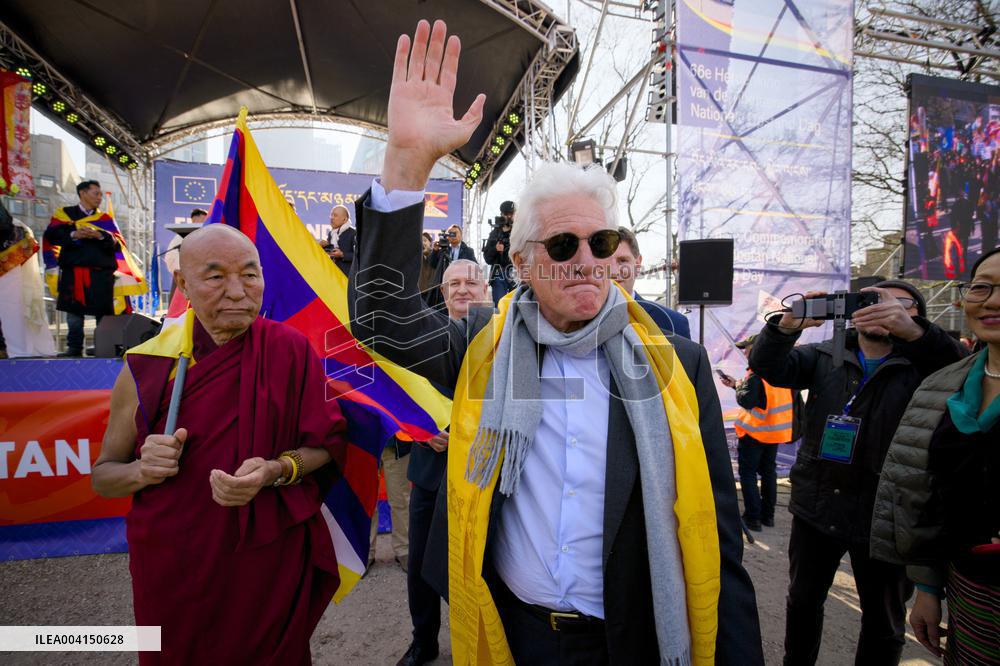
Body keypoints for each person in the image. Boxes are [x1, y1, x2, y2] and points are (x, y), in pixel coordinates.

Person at [349, 20, 762, 665]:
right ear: (520, 260)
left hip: (632, 642)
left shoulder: (677, 363)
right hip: (515, 636)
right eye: (562, 245)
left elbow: (719, 536)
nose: (585, 261)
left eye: (599, 243)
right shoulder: (481, 348)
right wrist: (407, 164)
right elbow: (381, 317)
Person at [91, 224, 348, 664]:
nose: (237, 291)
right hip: (176, 563)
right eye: (215, 277)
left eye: (250, 274)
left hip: (265, 559)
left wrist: (276, 470)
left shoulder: (289, 350)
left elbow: (326, 445)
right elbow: (103, 476)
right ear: (183, 284)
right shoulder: (150, 366)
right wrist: (141, 470)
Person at [749, 279, 968, 665]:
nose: (883, 309)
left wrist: (914, 334)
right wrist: (785, 327)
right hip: (817, 507)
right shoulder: (825, 355)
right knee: (802, 603)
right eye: (871, 300)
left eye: (900, 305)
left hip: (887, 514)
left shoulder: (928, 366)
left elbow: (957, 365)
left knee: (883, 622)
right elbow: (767, 365)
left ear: (918, 319)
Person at [871, 246, 1000, 665]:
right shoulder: (947, 384)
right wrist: (927, 587)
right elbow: (932, 491)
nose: (992, 301)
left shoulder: (932, 361)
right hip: (971, 590)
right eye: (982, 287)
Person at [398, 259, 490, 666]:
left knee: (484, 568)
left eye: (471, 282)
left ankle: (483, 643)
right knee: (420, 565)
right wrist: (418, 429)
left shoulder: (506, 334)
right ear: (442, 292)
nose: (462, 290)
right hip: (431, 471)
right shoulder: (420, 337)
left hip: (487, 475)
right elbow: (396, 392)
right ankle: (424, 641)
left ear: (486, 287)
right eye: (453, 284)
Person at [720, 334, 793, 531]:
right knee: (769, 473)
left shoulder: (756, 373)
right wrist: (737, 384)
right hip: (773, 433)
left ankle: (753, 518)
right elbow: (761, 398)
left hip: (754, 434)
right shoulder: (779, 370)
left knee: (748, 474)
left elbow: (747, 400)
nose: (744, 351)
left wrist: (739, 389)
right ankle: (767, 516)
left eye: (746, 348)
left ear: (757, 348)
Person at [43, 180, 118, 357]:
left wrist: (99, 235)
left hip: (100, 273)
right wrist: (74, 233)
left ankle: (104, 346)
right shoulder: (64, 215)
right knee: (74, 313)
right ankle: (74, 347)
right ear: (82, 193)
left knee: (103, 313)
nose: (99, 198)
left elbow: (117, 244)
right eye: (96, 193)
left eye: (100, 194)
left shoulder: (104, 219)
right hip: (73, 271)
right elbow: (51, 236)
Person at [611, 226, 691, 339]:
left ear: (638, 264)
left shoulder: (673, 324)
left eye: (623, 260)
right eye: (606, 261)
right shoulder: (579, 321)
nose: (614, 271)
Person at [0, 200, 56, 358]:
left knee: (12, 304)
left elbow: (4, 223)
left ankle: (15, 350)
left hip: (9, 254)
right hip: (11, 250)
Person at [369, 435, 411, 574]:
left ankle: (404, 549)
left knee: (400, 501)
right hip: (367, 443)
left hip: (397, 444)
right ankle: (365, 552)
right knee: (366, 503)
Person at [426, 223, 475, 308]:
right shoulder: (443, 250)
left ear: (461, 235)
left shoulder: (468, 251)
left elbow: (474, 266)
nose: (453, 235)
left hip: (460, 285)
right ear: (447, 236)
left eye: (455, 233)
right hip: (444, 286)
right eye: (451, 233)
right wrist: (435, 251)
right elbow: (432, 264)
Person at [165, 208, 208, 303]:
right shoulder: (181, 236)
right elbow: (170, 258)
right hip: (183, 275)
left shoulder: (208, 233)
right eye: (205, 218)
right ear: (197, 218)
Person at [482, 201, 515, 305]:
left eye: (511, 213)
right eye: (506, 214)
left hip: (516, 272)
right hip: (498, 273)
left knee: (518, 305)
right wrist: (495, 249)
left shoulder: (519, 231)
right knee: (500, 306)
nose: (509, 216)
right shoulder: (495, 233)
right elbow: (487, 258)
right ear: (501, 214)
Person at [320, 204, 355, 275]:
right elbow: (332, 252)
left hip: (348, 277)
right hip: (333, 274)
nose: (331, 218)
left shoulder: (353, 233)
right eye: (331, 215)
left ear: (345, 219)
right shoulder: (331, 233)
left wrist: (342, 255)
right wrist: (325, 246)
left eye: (335, 215)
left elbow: (359, 256)